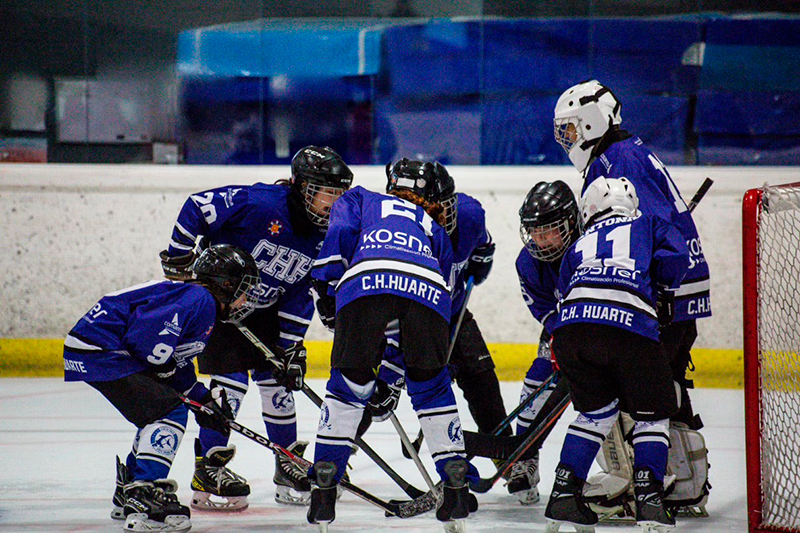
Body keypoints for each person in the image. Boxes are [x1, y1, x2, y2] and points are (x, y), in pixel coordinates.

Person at [159, 146, 353, 509]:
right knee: (231, 382)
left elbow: (300, 290)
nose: (332, 202)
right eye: (325, 192)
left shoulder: (326, 233)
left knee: (278, 378)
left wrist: (291, 346)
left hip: (267, 305)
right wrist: (179, 255)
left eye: (338, 194)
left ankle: (287, 462)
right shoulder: (261, 203)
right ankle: (209, 467)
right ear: (300, 185)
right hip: (219, 299)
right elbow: (197, 206)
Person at [554, 79, 713, 514]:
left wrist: (655, 295)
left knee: (640, 394)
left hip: (665, 297)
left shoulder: (616, 158)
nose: (566, 139)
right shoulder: (623, 152)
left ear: (592, 121)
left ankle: (651, 485)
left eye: (570, 128)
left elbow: (655, 233)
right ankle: (683, 484)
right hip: (677, 292)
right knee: (663, 389)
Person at [306, 159, 478, 530]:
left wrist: (326, 294)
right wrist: (399, 371)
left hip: (364, 281)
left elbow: (340, 234)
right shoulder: (434, 227)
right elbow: (444, 296)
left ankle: (324, 488)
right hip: (427, 291)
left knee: (347, 389)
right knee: (433, 390)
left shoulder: (361, 199)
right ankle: (455, 485)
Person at [64, 244, 260, 533]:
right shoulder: (200, 299)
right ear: (226, 284)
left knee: (158, 410)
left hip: (100, 348)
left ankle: (130, 487)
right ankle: (143, 493)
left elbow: (175, 366)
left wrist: (204, 401)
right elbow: (146, 337)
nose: (245, 299)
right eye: (243, 289)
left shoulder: (197, 301)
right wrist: (166, 374)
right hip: (103, 349)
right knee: (168, 412)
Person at [544, 177, 689, 533]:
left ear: (589, 209)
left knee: (595, 415)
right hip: (629, 327)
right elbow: (676, 257)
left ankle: (564, 492)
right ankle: (650, 500)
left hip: (572, 330)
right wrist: (663, 293)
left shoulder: (579, 242)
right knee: (651, 417)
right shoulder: (648, 224)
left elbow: (565, 287)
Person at [364, 162, 509, 454]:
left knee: (483, 382)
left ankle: (509, 459)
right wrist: (392, 370)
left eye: (444, 206)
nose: (441, 215)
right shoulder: (394, 235)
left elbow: (483, 243)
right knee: (364, 388)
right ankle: (339, 459)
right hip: (397, 322)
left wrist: (481, 262)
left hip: (452, 315)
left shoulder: (469, 216)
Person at [507, 180, 582, 505]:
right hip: (563, 330)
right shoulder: (528, 263)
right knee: (535, 382)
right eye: (535, 231)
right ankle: (526, 455)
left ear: (570, 223)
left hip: (605, 333)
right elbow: (544, 308)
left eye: (549, 230)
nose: (540, 240)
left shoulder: (590, 249)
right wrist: (561, 337)